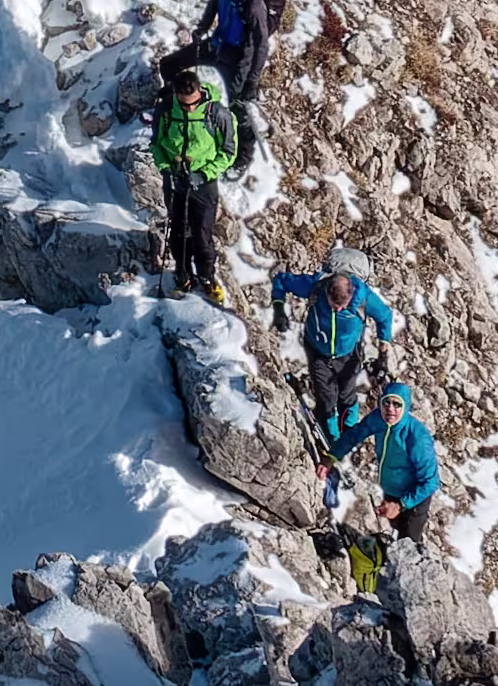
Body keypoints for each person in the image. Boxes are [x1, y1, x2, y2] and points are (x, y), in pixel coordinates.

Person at [270, 239, 396, 528]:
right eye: (334, 305)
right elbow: (281, 281)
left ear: (351, 293)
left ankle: (347, 434)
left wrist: (384, 354)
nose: (338, 310)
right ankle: (332, 436)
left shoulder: (362, 297)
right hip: (317, 352)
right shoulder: (315, 286)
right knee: (327, 398)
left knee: (348, 394)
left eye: (343, 306)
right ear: (327, 292)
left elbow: (385, 317)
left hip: (349, 355)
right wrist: (279, 309)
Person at [147, 47, 241, 300]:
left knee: (202, 233)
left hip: (204, 182)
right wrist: (167, 170)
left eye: (194, 103)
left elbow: (229, 152)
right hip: (176, 180)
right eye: (184, 104)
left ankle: (208, 277)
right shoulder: (166, 111)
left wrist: (204, 174)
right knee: (177, 232)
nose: (189, 109)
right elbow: (157, 145)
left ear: (200, 92)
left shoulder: (217, 113)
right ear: (177, 95)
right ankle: (182, 275)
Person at [196, 0, 274, 163]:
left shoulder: (254, 6)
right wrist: (202, 28)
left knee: (236, 107)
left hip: (241, 61)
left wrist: (252, 81)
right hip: (221, 47)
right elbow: (213, 5)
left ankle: (243, 157)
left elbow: (261, 46)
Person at [364, 377, 442, 546]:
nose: (390, 408)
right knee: (393, 529)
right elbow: (355, 434)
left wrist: (401, 505)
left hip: (415, 499)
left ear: (405, 406)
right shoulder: (383, 424)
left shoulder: (418, 438)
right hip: (394, 489)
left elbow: (431, 482)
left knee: (408, 543)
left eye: (397, 404)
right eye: (387, 403)